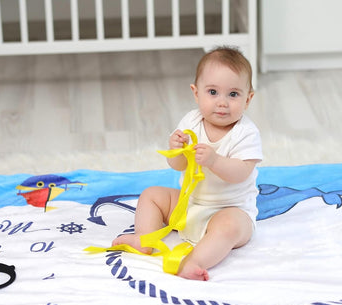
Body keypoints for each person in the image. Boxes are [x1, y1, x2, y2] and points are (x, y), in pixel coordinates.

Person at [112, 46, 263, 281]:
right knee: (152, 195)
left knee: (231, 227)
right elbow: (177, 165)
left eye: (233, 94)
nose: (222, 102)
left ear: (248, 98)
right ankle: (144, 238)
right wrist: (175, 150)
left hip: (228, 209)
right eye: (213, 92)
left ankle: (195, 260)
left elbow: (241, 172)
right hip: (188, 205)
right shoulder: (191, 121)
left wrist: (214, 161)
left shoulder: (245, 133)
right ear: (196, 93)